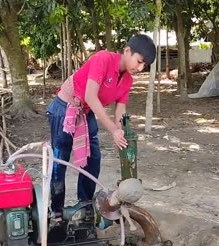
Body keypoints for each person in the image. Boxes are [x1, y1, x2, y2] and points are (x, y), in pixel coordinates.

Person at [46, 34, 156, 216]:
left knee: (93, 159)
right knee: (60, 161)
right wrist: (112, 129)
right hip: (64, 107)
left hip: (85, 111)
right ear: (127, 51)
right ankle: (56, 212)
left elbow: (120, 109)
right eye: (139, 61)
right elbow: (90, 96)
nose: (140, 67)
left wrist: (121, 131)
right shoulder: (103, 59)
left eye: (144, 65)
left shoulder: (127, 80)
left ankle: (85, 207)